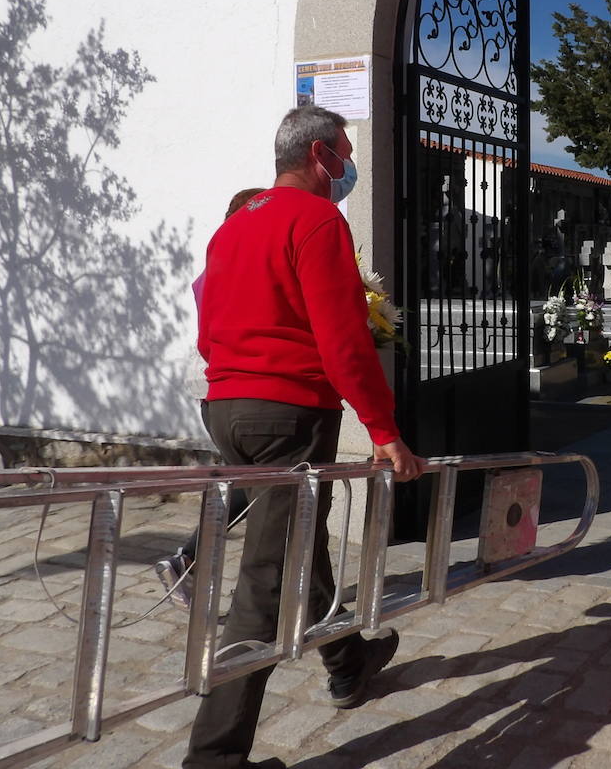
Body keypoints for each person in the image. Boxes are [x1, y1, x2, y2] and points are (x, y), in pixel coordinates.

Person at [184, 106, 424, 769]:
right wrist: (384, 430)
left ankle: (348, 658)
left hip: (227, 405)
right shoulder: (319, 221)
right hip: (287, 413)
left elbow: (208, 320)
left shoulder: (235, 225)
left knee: (296, 542)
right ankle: (214, 757)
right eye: (344, 153)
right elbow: (343, 339)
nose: (348, 167)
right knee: (263, 581)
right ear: (320, 155)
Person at [155, 187, 268, 610]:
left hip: (220, 389)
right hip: (232, 386)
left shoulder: (221, 263)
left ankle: (247, 585)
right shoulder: (235, 266)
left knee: (253, 484)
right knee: (253, 484)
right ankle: (189, 559)